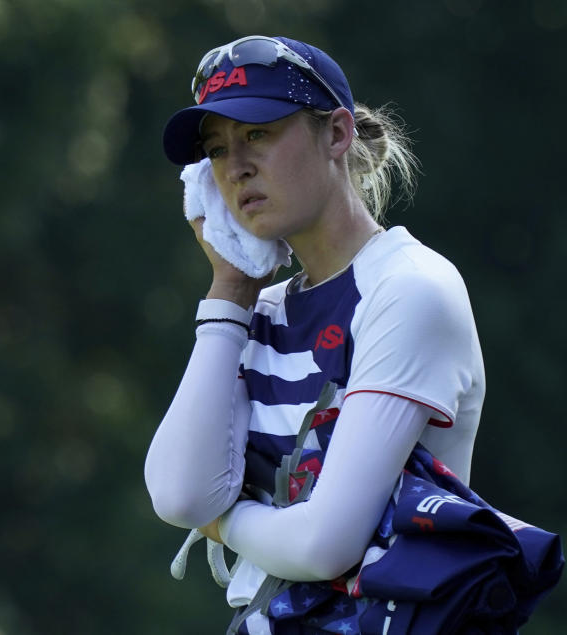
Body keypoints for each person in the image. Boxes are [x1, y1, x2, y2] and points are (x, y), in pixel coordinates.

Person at [144, 35, 561, 634]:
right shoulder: (253, 311)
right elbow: (178, 495)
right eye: (216, 150)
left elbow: (325, 544)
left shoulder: (409, 288)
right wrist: (229, 291)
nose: (235, 168)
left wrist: (225, 522)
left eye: (258, 134)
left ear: (337, 135)